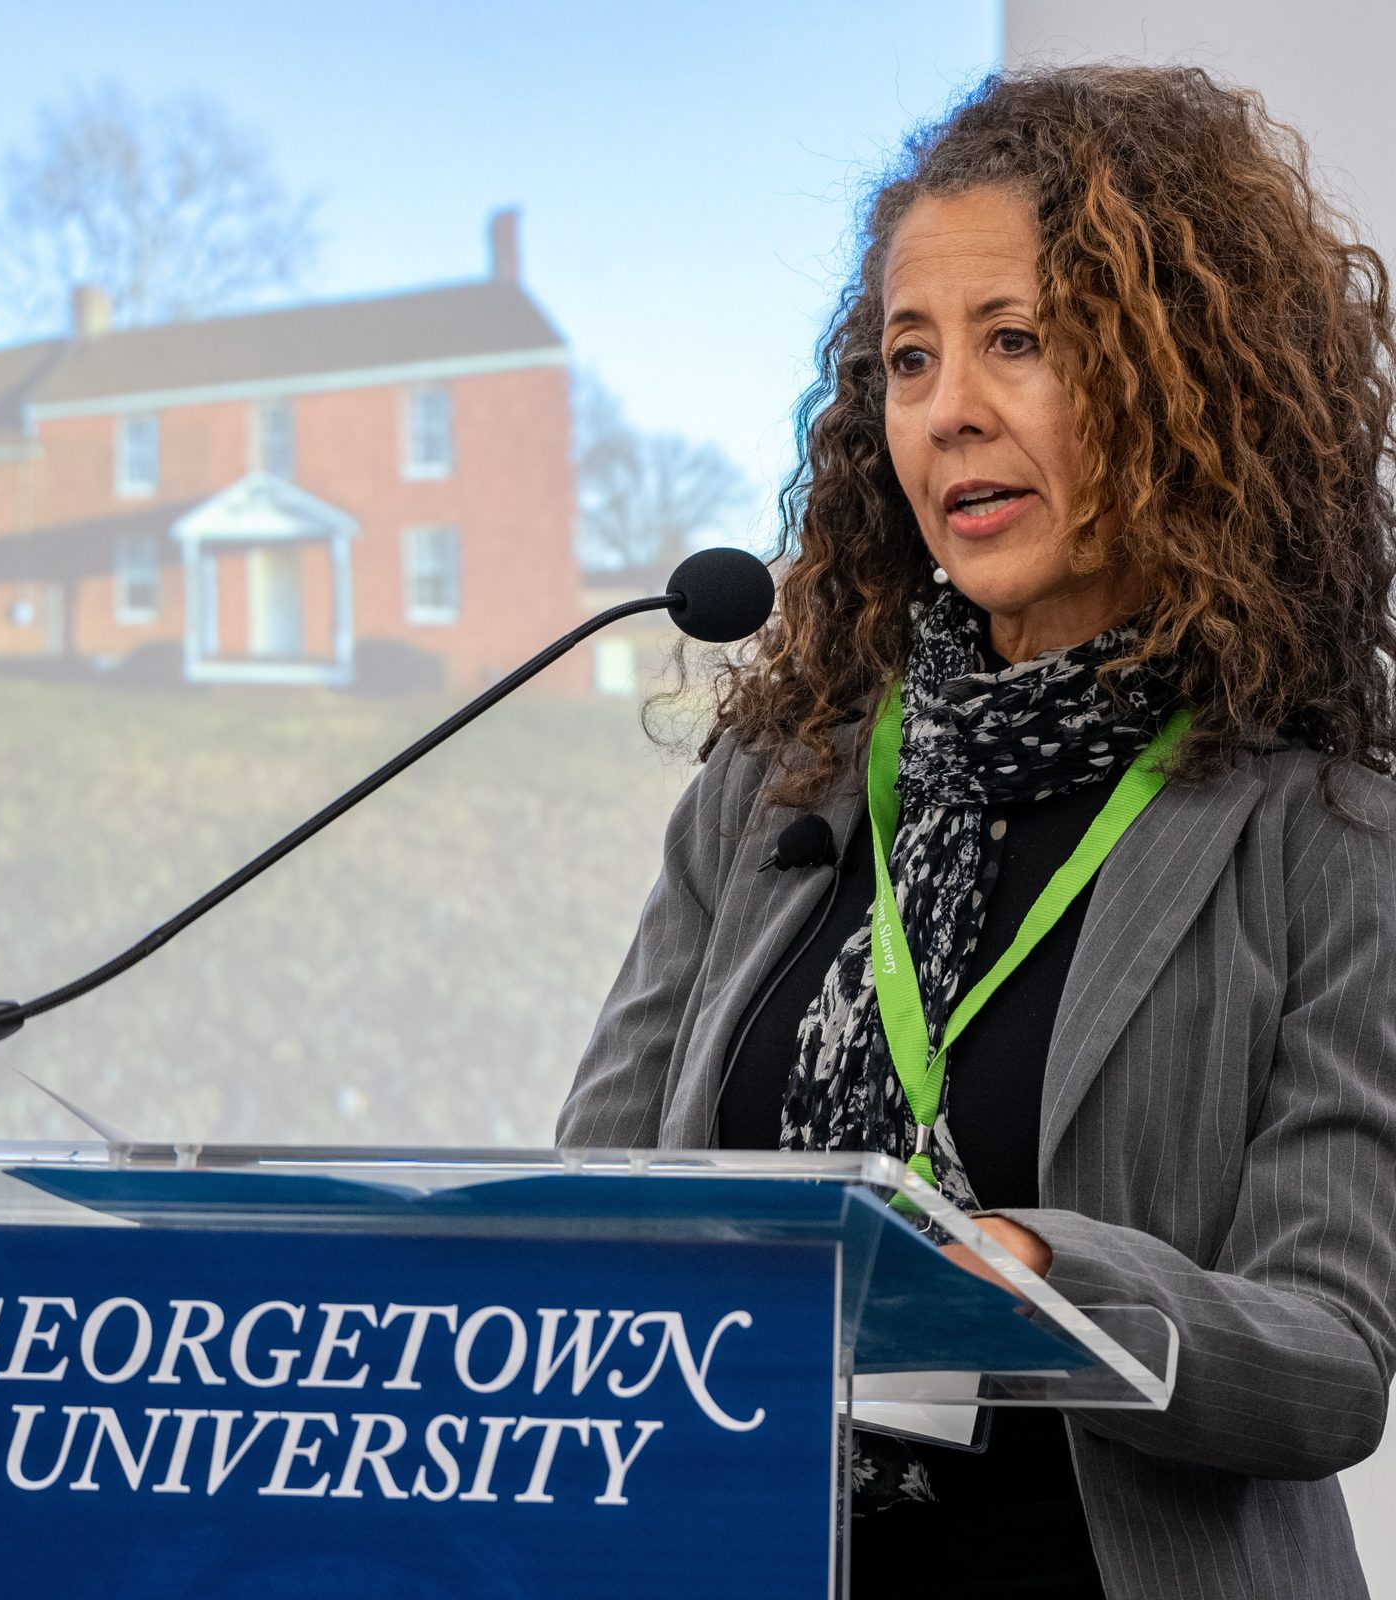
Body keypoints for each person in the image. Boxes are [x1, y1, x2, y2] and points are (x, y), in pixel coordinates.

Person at [557, 65, 1396, 1600]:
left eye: (1018, 341)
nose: (949, 410)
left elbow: (1329, 1363)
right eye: (909, 358)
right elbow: (590, 1210)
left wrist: (1049, 1273)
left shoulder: (1318, 835)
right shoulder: (775, 791)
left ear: (1182, 380)